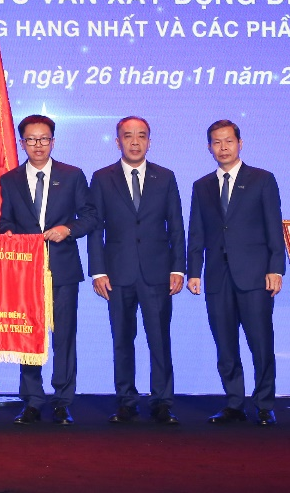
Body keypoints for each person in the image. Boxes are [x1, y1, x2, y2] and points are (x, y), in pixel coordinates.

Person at [0, 114, 97, 426]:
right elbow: (7, 220)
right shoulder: (10, 179)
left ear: (53, 141)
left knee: (64, 337)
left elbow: (90, 217)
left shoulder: (72, 175)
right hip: (25, 271)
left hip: (63, 269)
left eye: (43, 139)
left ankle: (62, 401)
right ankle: (32, 400)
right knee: (29, 336)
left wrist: (68, 229)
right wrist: (8, 233)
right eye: (31, 139)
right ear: (22, 142)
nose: (37, 145)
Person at [87, 116, 186, 425]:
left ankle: (162, 402)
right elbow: (96, 228)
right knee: (122, 339)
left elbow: (176, 225)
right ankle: (126, 401)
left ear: (149, 141)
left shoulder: (165, 177)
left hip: (157, 272)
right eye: (128, 136)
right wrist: (98, 271)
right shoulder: (102, 178)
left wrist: (178, 268)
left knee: (160, 340)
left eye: (141, 136)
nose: (134, 141)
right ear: (118, 141)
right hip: (117, 273)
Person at [187, 120, 285, 426]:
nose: (223, 147)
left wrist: (276, 268)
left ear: (240, 143)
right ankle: (234, 403)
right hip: (218, 276)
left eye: (228, 141)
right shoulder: (202, 186)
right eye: (217, 142)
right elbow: (197, 232)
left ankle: (265, 404)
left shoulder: (262, 179)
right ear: (209, 147)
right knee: (225, 344)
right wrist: (194, 271)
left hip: (255, 276)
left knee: (260, 342)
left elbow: (274, 227)